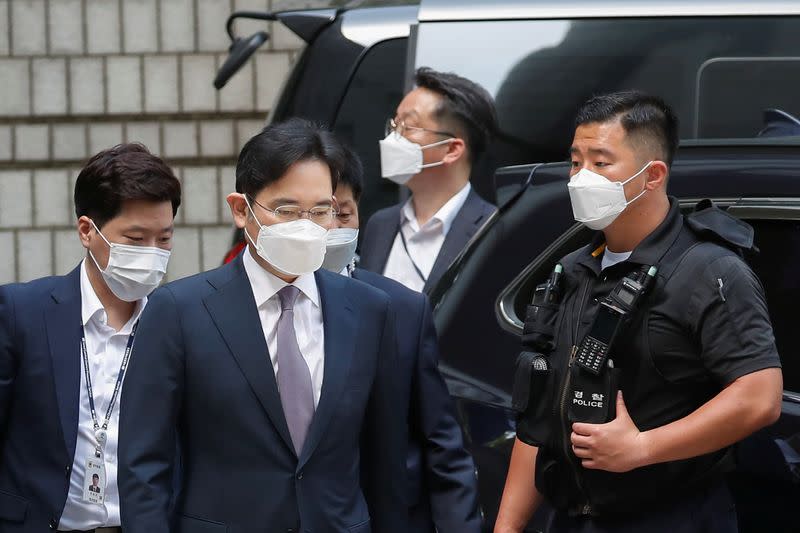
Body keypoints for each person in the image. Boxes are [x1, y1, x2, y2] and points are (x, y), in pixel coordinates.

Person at [495, 91, 784, 533]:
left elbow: (759, 397)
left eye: (601, 162)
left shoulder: (709, 270)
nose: (580, 177)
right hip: (571, 514)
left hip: (672, 517)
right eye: (576, 162)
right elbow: (539, 418)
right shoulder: (573, 269)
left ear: (652, 176)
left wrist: (642, 447)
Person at [118, 118, 408, 533]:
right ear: (242, 209)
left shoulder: (369, 310)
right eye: (287, 210)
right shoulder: (179, 311)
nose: (306, 226)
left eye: (322, 210)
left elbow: (386, 463)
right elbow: (143, 465)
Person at [0, 143, 181, 532]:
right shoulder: (22, 312)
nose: (152, 253)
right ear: (87, 231)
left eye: (164, 239)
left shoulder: (181, 321)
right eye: (135, 239)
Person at [322, 144, 482, 532]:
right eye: (312, 214)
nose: (329, 227)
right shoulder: (229, 310)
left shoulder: (399, 309)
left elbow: (442, 442)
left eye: (342, 214)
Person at [359, 67, 498, 293]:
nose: (393, 137)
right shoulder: (380, 225)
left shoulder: (492, 230)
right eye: (394, 125)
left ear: (452, 149)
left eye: (408, 126)